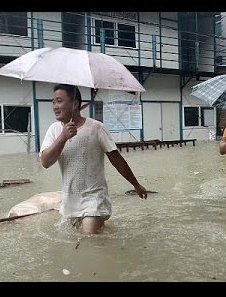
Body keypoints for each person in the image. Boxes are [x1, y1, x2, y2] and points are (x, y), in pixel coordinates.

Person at [39, 84, 147, 234]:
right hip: (70, 200)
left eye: (59, 101)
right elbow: (45, 162)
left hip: (94, 198)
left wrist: (136, 185)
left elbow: (116, 159)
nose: (55, 106)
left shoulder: (96, 128)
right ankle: (105, 229)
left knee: (88, 238)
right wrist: (62, 138)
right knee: (79, 240)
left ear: (75, 103)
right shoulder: (54, 130)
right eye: (53, 102)